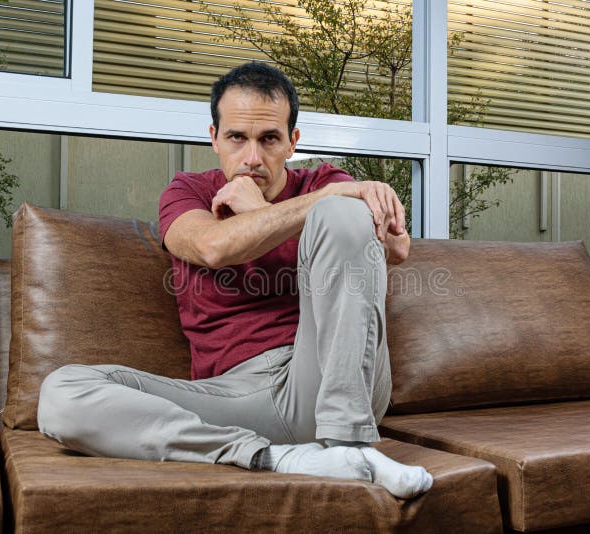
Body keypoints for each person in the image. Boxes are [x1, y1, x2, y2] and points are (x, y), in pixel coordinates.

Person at [37, 61, 432, 499]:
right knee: (62, 394)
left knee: (342, 212)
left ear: (292, 142)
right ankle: (279, 458)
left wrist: (269, 208)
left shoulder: (323, 183)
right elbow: (211, 247)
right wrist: (298, 208)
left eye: (269, 139)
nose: (252, 158)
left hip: (329, 377)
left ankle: (350, 445)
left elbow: (395, 249)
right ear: (214, 138)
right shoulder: (188, 192)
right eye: (237, 138)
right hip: (236, 399)